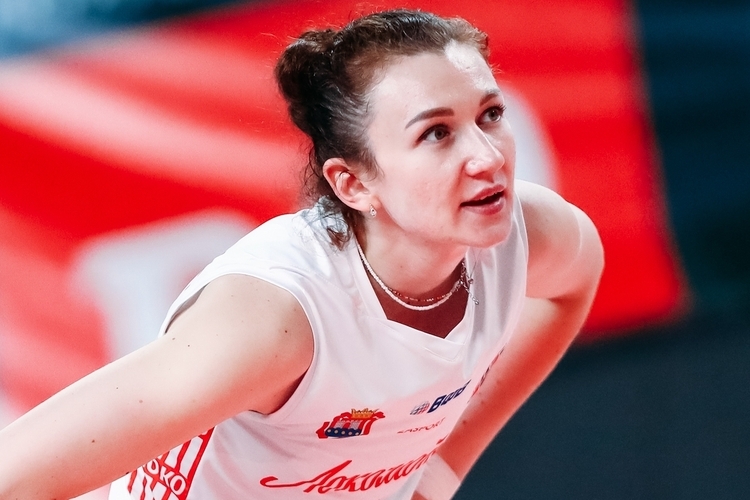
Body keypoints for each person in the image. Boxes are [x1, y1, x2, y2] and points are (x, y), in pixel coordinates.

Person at [0, 9, 603, 500]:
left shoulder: (532, 235)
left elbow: (576, 281)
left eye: (490, 115)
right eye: (435, 133)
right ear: (354, 184)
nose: (488, 157)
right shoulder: (276, 316)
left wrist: (440, 473)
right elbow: (15, 476)